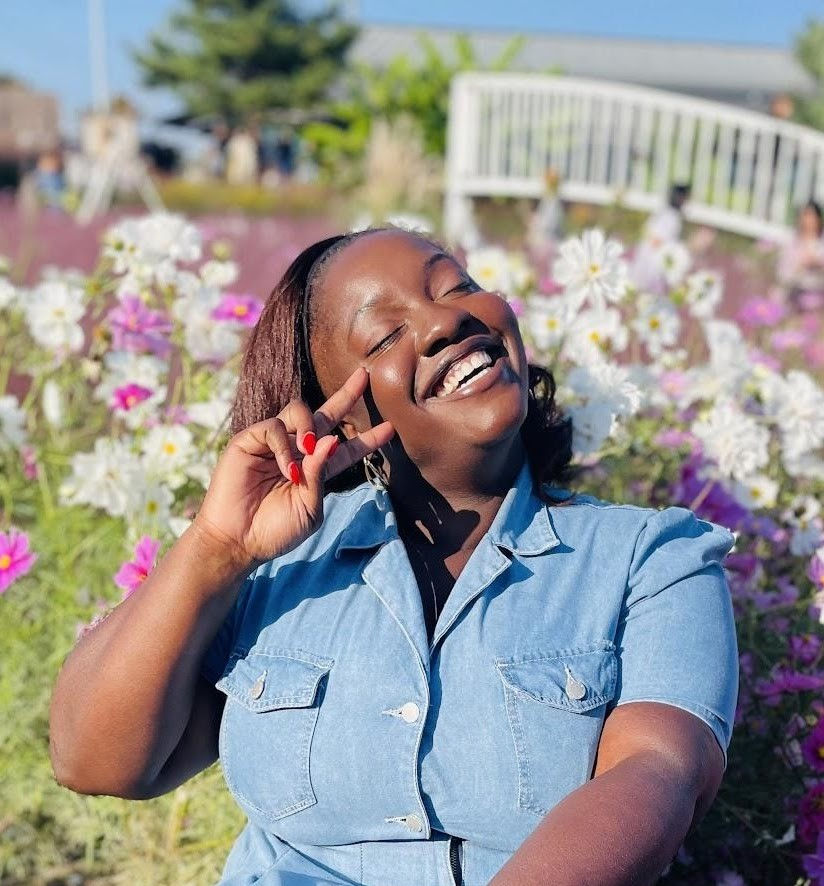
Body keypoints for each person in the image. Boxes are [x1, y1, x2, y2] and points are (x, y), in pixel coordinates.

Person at [49, 228, 738, 886]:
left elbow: (660, 774)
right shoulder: (277, 570)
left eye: (456, 286)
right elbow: (95, 761)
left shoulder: (653, 558)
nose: (445, 324)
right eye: (384, 334)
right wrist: (218, 547)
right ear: (345, 418)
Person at [629, 183, 691, 293]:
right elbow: (656, 240)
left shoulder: (664, 213)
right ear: (681, 198)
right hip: (653, 262)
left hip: (648, 258)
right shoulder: (671, 218)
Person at [776, 200, 824, 309]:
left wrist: (818, 264)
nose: (807, 221)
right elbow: (782, 273)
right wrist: (799, 266)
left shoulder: (821, 243)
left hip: (817, 300)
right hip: (793, 297)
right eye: (804, 216)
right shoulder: (791, 241)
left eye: (811, 216)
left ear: (819, 219)